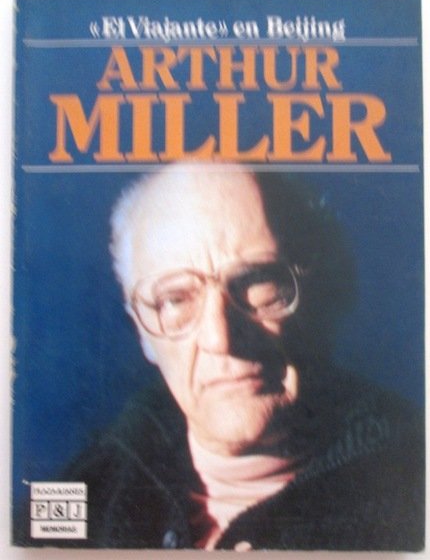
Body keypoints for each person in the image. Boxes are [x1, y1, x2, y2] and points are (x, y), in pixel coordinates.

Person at [62, 165, 424, 549]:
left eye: (257, 282)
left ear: (321, 294)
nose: (220, 338)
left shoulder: (414, 485)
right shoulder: (89, 494)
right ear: (142, 331)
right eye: (175, 299)